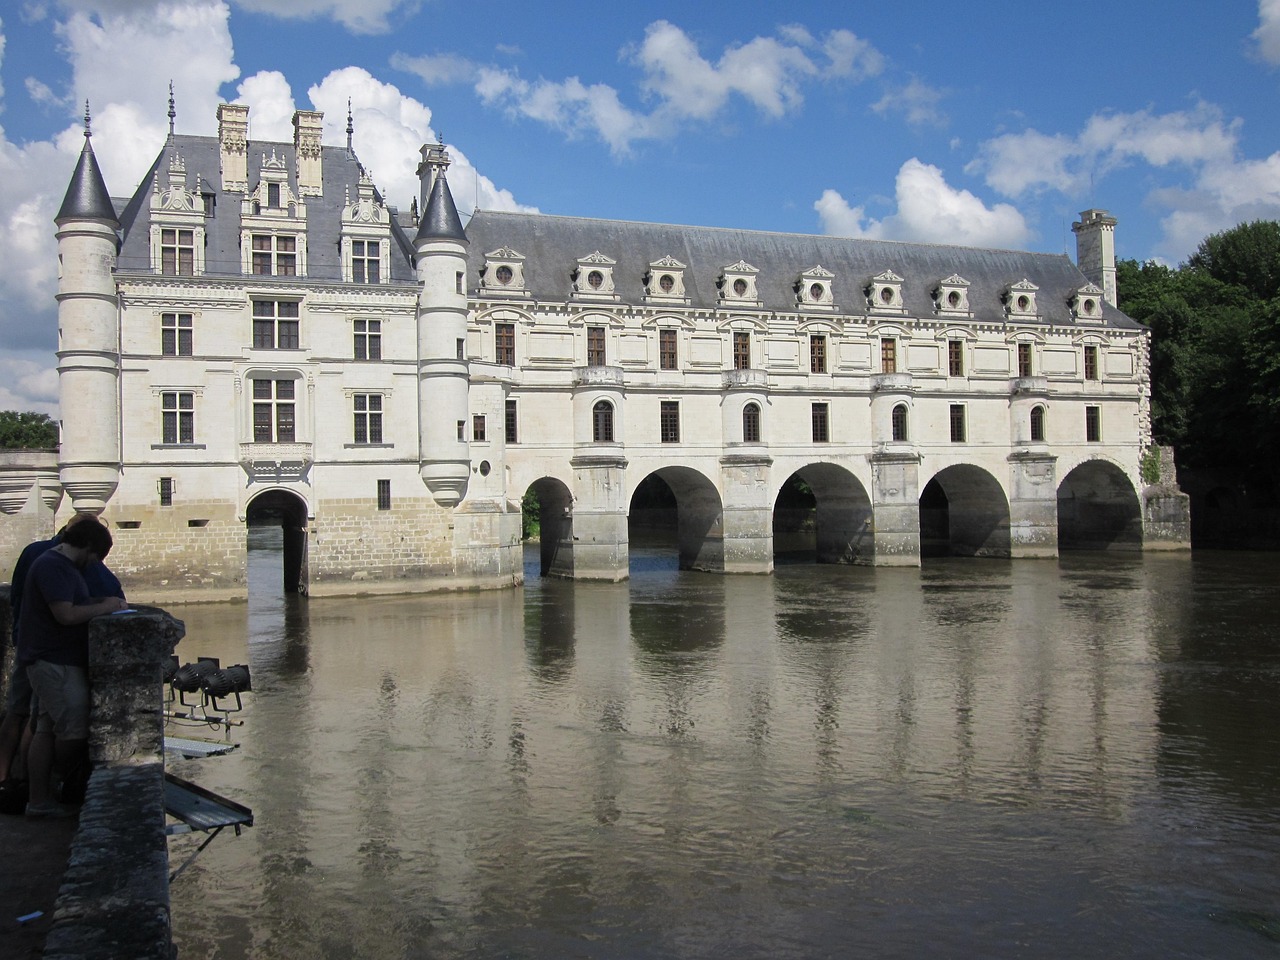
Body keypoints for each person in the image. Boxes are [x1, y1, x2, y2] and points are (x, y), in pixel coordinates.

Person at [16, 516, 128, 818]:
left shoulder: (54, 564)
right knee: (74, 730)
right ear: (88, 546)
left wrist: (99, 599)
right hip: (54, 661)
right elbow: (65, 614)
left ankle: (38, 800)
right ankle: (59, 781)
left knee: (45, 729)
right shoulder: (54, 566)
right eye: (96, 557)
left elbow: (73, 602)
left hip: (49, 658)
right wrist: (106, 606)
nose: (94, 564)